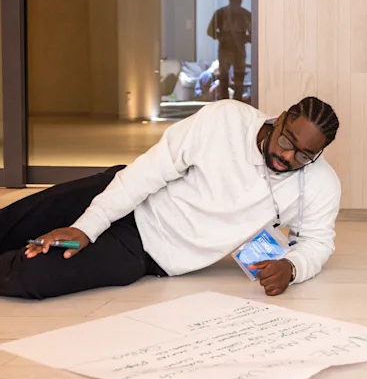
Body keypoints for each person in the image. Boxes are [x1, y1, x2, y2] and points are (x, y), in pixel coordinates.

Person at [0, 97, 341, 300]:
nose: (289, 157)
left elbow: (316, 242)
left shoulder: (321, 183)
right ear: (280, 119)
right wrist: (86, 228)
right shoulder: (225, 119)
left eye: (304, 155)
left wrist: (292, 267)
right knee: (14, 222)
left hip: (146, 251)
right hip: (127, 193)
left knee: (32, 276)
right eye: (286, 142)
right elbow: (149, 171)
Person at [207, 0, 252, 102]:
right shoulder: (246, 14)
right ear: (240, 1)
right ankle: (237, 101)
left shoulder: (221, 13)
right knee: (238, 78)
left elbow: (210, 31)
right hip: (238, 49)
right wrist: (244, 38)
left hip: (225, 48)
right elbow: (253, 34)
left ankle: (224, 101)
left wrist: (221, 37)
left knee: (224, 77)